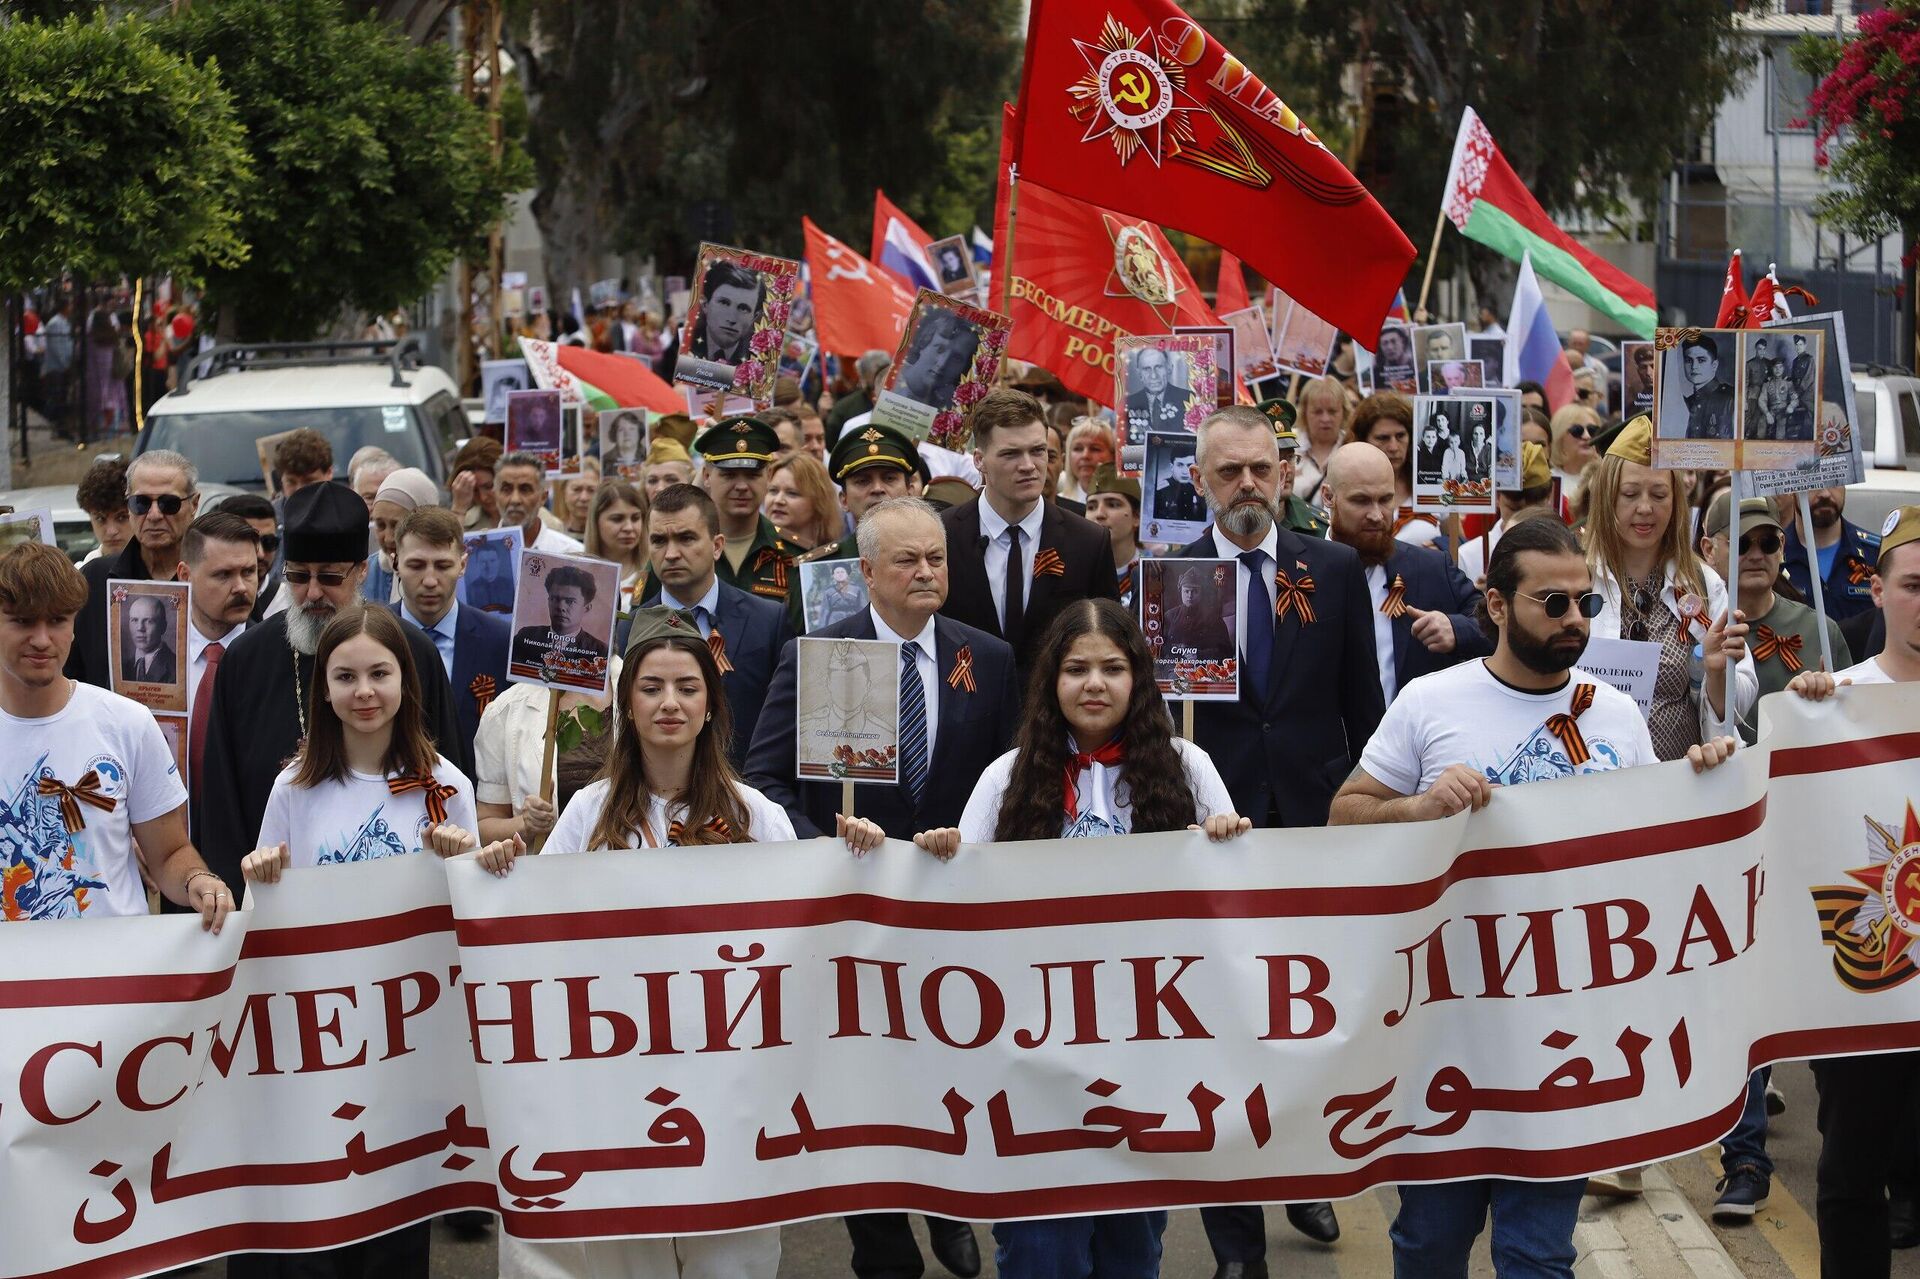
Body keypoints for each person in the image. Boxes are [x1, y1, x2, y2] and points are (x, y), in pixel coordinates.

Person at [1330, 517, 1736, 1277]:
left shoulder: (1614, 713)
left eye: (1583, 602)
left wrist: (1706, 780)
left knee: (1537, 1253)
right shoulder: (1430, 701)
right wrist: (1418, 808)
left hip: (1567, 1040)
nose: (1575, 620)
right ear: (1494, 604)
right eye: (1553, 603)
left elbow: (1656, 839)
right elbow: (1344, 814)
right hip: (1447, 1039)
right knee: (1430, 1242)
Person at [479, 602, 868, 1279]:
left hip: (732, 1085)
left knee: (734, 1257)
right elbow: (539, 933)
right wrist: (496, 873)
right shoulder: (588, 811)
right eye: (651, 687)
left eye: (688, 688)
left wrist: (859, 855)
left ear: (712, 704)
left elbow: (808, 924)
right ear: (626, 704)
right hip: (619, 1078)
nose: (670, 703)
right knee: (634, 1256)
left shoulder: (756, 813)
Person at [912, 599, 1251, 1279]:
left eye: (1111, 667)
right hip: (1032, 1061)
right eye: (1075, 669)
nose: (1093, 683)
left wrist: (1223, 845)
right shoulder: (1006, 775)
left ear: (1138, 678)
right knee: (1041, 1248)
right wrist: (941, 851)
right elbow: (954, 909)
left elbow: (1237, 910)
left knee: (1132, 1246)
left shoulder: (1188, 767)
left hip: (1147, 1060)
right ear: (1050, 681)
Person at [235, 602, 502, 1279]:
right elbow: (257, 914)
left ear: (405, 681)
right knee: (314, 1210)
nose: (364, 692)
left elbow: (474, 916)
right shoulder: (293, 786)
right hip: (315, 1035)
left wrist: (468, 861)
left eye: (379, 673)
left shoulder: (445, 785)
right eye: (346, 676)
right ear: (322, 688)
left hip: (405, 1036)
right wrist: (261, 874)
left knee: (393, 1217)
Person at [1176, 405, 1382, 1266]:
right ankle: (1234, 1235)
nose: (1248, 486)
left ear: (1288, 473)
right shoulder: (1166, 578)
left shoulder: (1331, 569)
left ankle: (1306, 1173)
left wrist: (1373, 819)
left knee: (1306, 1021)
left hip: (1313, 828)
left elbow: (1365, 708)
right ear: (1199, 482)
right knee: (1224, 1032)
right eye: (1229, 473)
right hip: (1211, 836)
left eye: (1262, 469)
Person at [197, 482, 469, 896]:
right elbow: (222, 802)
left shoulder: (411, 652)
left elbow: (445, 769)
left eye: (329, 576)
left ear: (361, 571)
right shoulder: (245, 658)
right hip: (279, 904)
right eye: (298, 576)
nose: (312, 593)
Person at [1784, 505, 1920, 1277]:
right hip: (1863, 985)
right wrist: (1801, 720)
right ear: (1877, 589)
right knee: (1849, 1178)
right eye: (1914, 585)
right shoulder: (1833, 701)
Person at [0, 542, 231, 928]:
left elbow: (169, 852)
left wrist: (198, 880)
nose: (42, 639)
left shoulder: (127, 724)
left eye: (57, 620)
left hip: (113, 976)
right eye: (22, 621)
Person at [1583, 417, 1754, 775]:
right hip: (1594, 779)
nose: (1645, 507)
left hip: (1684, 782)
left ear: (1676, 502)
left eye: (1659, 495)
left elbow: (1741, 698)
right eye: (1630, 495)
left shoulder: (1704, 584)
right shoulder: (1578, 580)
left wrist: (1717, 672)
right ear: (1606, 499)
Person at [938, 390, 1120, 675]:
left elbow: (1109, 644)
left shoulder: (1089, 542)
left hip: (1054, 714)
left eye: (1038, 451)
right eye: (1011, 454)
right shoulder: (942, 536)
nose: (1028, 466)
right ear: (979, 460)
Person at [1323, 442, 1491, 705]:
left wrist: (1458, 629)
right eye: (1361, 501)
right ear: (1328, 497)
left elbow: (1499, 625)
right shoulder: (1297, 572)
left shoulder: (1432, 569)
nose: (1377, 515)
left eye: (1385, 500)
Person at [644, 483, 793, 769]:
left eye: (686, 538)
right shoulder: (630, 629)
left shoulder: (767, 621)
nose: (671, 553)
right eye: (659, 540)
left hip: (747, 793)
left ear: (716, 546)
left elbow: (785, 726)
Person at [69, 450, 201, 689]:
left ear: (194, 504)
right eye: (141, 503)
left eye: (168, 503)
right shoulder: (93, 579)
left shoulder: (215, 577)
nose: (154, 515)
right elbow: (69, 675)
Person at [391, 506, 511, 758]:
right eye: (416, 565)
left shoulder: (500, 641)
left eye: (443, 566)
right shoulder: (373, 636)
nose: (430, 580)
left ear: (463, 564)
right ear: (396, 563)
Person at [175, 512, 258, 836]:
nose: (240, 587)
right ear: (185, 575)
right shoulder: (152, 664)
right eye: (223, 575)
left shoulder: (275, 658)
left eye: (249, 572)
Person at [689, 416, 797, 603]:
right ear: (706, 476)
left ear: (769, 475)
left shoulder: (795, 553)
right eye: (729, 475)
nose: (741, 486)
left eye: (752, 475)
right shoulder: (680, 548)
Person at [1459, 442, 1560, 586]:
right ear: (1497, 497)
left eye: (1533, 511)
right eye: (1514, 510)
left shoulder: (1565, 552)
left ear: (1550, 496)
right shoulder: (1468, 557)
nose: (1523, 521)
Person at [1781, 484, 1881, 622]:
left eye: (1834, 480)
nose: (1825, 494)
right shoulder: (1772, 556)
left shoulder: (1877, 555)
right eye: (1813, 482)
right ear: (1792, 488)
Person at [511, 564, 609, 676]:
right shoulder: (526, 637)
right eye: (554, 599)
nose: (560, 607)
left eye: (570, 601)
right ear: (548, 600)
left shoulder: (600, 652)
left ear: (586, 608)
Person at [365, 467, 438, 607]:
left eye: (397, 526)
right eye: (380, 525)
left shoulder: (445, 573)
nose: (388, 538)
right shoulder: (365, 574)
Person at [493, 451, 584, 555]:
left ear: (543, 497)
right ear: (495, 495)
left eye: (525, 489)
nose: (515, 499)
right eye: (506, 489)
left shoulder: (572, 555)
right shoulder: (474, 553)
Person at [585, 480, 650, 618]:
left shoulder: (653, 571)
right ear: (596, 522)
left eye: (635, 518)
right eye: (617, 519)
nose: (629, 527)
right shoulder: (579, 571)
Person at [217, 492, 283, 621]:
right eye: (249, 542)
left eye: (269, 542)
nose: (260, 554)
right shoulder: (196, 604)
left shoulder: (292, 603)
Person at [895, 307, 979, 408]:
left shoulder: (951, 409)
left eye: (956, 358)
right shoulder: (889, 382)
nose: (942, 363)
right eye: (940, 349)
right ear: (923, 343)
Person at [688, 260, 766, 366]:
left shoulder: (761, 361)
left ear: (754, 317)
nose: (731, 319)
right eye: (724, 303)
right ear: (705, 304)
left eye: (743, 309)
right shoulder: (685, 343)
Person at [1084, 464, 1141, 607]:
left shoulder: (1153, 571)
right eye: (1091, 507)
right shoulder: (1076, 573)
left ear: (1137, 516)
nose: (1099, 514)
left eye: (1113, 504)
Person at [766, 452, 839, 551]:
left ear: (818, 501)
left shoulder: (834, 559)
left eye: (792, 493)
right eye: (773, 491)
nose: (778, 500)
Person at [1292, 377, 1347, 503]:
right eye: (1317, 412)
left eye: (1332, 411)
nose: (1325, 419)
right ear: (1304, 412)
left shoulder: (1354, 448)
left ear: (1344, 411)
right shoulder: (1289, 449)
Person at [825, 350, 893, 448]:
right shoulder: (845, 411)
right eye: (877, 372)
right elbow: (831, 446)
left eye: (884, 371)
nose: (881, 378)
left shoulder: (902, 410)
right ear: (863, 375)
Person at [1125, 347, 1194, 440]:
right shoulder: (1128, 404)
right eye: (1146, 369)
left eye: (1159, 367)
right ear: (1139, 373)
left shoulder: (1189, 399)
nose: (1153, 375)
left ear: (1169, 368)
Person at [75, 456, 133, 565]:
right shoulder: (78, 576)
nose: (111, 531)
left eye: (122, 517)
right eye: (100, 519)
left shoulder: (164, 572)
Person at [1163, 564, 1232, 653]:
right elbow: (1160, 648)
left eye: (1195, 591)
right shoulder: (1170, 616)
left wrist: (1199, 655)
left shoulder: (1213, 619)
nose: (1190, 596)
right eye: (1186, 591)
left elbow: (1226, 651)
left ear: (1201, 593)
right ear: (1181, 591)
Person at [1679, 335, 1736, 441]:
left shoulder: (1731, 398)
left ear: (1714, 365)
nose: (1694, 366)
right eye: (1689, 360)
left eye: (1701, 360)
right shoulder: (1684, 403)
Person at [449, 435, 504, 532]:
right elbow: (449, 545)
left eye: (488, 486)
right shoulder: (463, 522)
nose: (483, 497)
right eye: (473, 490)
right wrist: (458, 510)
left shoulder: (534, 519)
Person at [1548, 403, 1601, 501]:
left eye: (1592, 430)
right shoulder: (1547, 481)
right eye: (1577, 430)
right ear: (1559, 437)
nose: (1586, 436)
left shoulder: (1607, 478)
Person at [121, 594, 177, 684]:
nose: (140, 628)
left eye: (149, 621)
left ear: (163, 627)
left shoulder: (176, 668)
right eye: (134, 620)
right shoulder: (121, 668)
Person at [273, 428, 334, 503]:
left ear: (329, 473)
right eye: (291, 482)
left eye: (308, 481)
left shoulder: (348, 510)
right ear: (281, 480)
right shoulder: (271, 513)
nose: (299, 490)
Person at [558, 458, 602, 539]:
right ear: (564, 491)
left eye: (591, 490)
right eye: (577, 489)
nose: (583, 498)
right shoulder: (555, 534)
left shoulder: (610, 539)